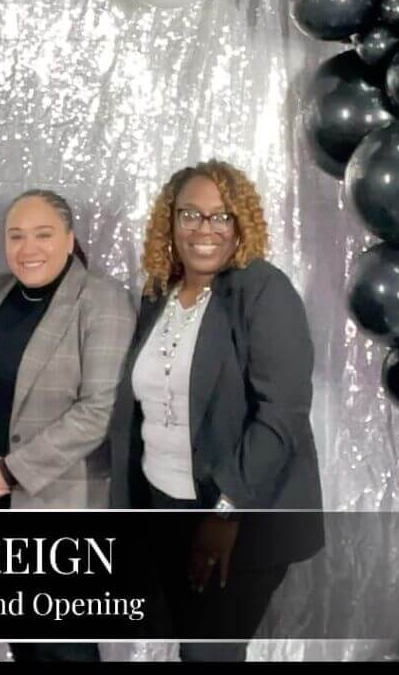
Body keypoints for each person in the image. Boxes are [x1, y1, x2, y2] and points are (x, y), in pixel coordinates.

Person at [108, 160, 325, 662]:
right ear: (170, 221)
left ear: (240, 223)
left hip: (241, 512)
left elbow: (283, 413)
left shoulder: (264, 291)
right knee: (191, 646)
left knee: (208, 654)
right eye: (190, 214)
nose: (204, 229)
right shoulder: (159, 294)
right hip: (167, 506)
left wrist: (226, 509)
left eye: (221, 216)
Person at [0, 188, 136, 662]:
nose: (28, 248)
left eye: (43, 234)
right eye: (16, 236)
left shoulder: (103, 300)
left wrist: (10, 471)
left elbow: (99, 410)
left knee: (65, 647)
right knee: (24, 643)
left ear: (69, 239)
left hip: (59, 502)